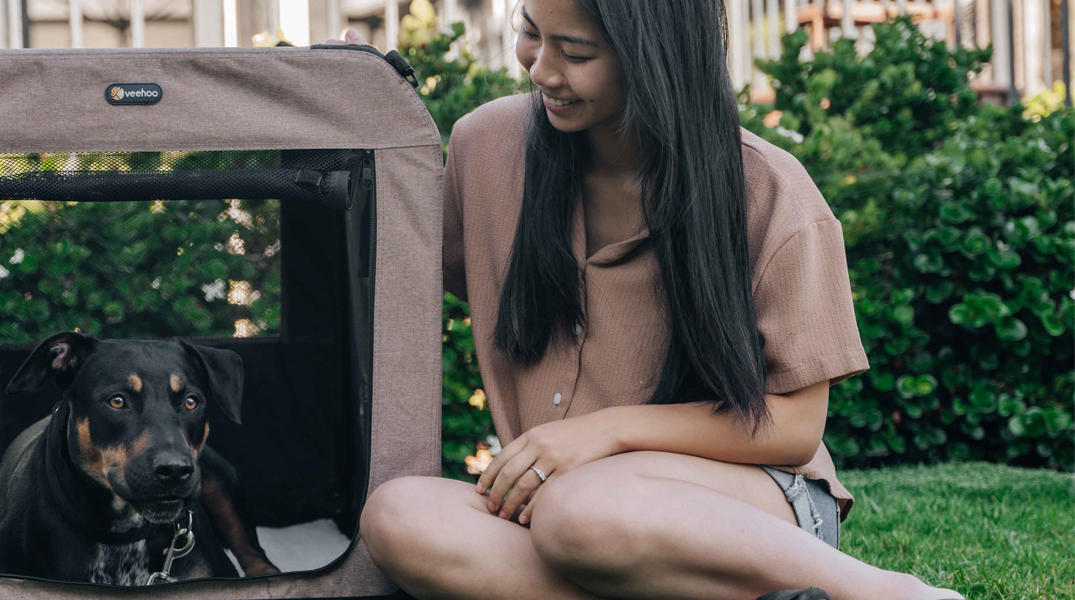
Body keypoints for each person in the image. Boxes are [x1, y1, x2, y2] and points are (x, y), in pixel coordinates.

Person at [326, 0, 966, 598]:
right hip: (557, 509)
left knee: (583, 508)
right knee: (398, 515)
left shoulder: (767, 190)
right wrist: (354, 115)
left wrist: (601, 435)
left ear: (652, 55)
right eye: (531, 33)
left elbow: (795, 429)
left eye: (575, 52)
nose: (541, 68)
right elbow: (395, 273)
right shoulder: (486, 147)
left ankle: (880, 592)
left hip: (743, 509)